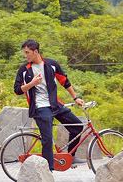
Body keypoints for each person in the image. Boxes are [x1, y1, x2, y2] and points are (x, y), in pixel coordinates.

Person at [13, 39, 85, 171]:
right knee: (47, 139)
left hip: (55, 105)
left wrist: (76, 98)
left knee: (77, 127)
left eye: (27, 52)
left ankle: (69, 156)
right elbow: (17, 90)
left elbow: (64, 81)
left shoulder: (51, 64)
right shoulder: (24, 70)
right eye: (24, 53)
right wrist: (32, 84)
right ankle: (48, 171)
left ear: (36, 51)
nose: (25, 56)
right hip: (39, 107)